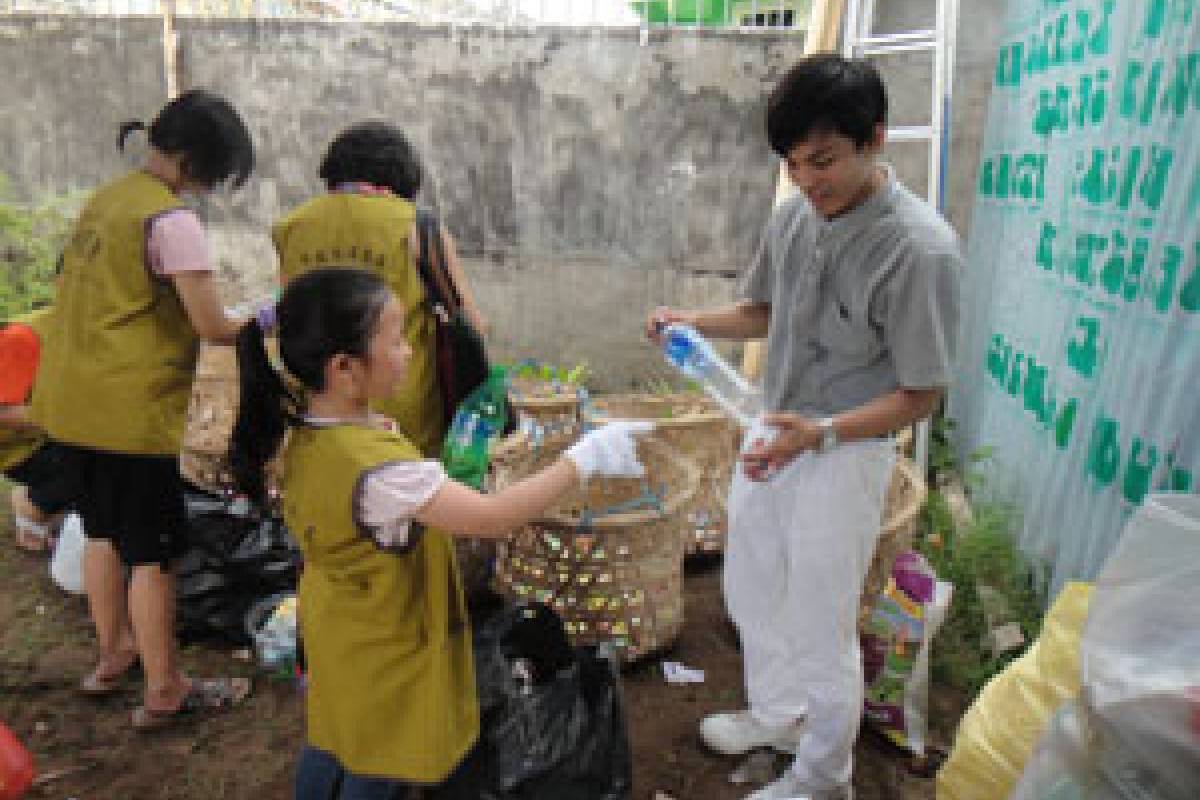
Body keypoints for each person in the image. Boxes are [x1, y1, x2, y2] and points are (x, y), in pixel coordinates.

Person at [646, 54, 962, 800]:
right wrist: (692, 320)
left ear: (874, 139)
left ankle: (825, 773)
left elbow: (920, 394)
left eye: (823, 161)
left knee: (823, 621)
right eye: (793, 164)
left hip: (844, 449)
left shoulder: (920, 251)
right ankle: (779, 714)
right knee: (752, 586)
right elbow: (763, 311)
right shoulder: (794, 219)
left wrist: (818, 436)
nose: (807, 179)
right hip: (773, 428)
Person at [228, 267, 650, 799]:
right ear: (344, 368)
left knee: (334, 733)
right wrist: (582, 461)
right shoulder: (385, 473)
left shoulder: (302, 431)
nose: (409, 352)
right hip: (388, 637)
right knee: (379, 756)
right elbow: (493, 518)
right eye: (396, 340)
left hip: (336, 623)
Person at [29, 89, 256, 728]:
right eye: (214, 173)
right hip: (131, 414)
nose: (210, 187)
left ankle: (113, 656)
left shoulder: (106, 202)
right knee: (152, 555)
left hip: (72, 403)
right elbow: (212, 326)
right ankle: (165, 690)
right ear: (190, 160)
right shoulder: (170, 220)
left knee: (100, 532)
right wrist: (267, 318)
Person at [272, 121, 488, 458]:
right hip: (401, 407)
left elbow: (291, 314)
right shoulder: (416, 224)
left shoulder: (291, 227)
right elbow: (471, 323)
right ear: (402, 174)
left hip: (319, 406)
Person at [1, 311, 74, 553]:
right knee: (98, 464)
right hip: (19, 449)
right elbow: (7, 412)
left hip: (40, 437)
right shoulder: (22, 337)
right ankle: (32, 510)